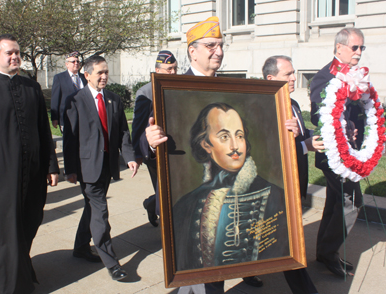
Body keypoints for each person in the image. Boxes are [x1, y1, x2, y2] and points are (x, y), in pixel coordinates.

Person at [145, 17, 300, 293]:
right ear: (192, 50)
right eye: (210, 45)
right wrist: (150, 141)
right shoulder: (171, 92)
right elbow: (150, 146)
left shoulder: (233, 87)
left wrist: (286, 128)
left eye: (220, 45)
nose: (218, 51)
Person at [0, 34, 59, 294]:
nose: (15, 56)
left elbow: (43, 130)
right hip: (0, 179)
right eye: (9, 53)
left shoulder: (32, 87)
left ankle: (20, 271)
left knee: (29, 223)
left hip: (33, 175)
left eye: (17, 52)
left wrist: (52, 166)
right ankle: (4, 285)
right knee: (2, 234)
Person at [174, 102, 289, 271]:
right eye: (224, 137)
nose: (235, 146)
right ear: (206, 144)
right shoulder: (187, 205)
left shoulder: (276, 196)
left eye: (240, 136)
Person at [63, 55, 139, 281]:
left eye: (106, 72)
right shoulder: (75, 100)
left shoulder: (114, 99)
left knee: (91, 208)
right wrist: (70, 169)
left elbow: (123, 132)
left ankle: (80, 247)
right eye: (100, 73)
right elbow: (70, 138)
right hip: (87, 167)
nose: (104, 76)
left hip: (108, 165)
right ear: (87, 75)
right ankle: (111, 262)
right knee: (100, 212)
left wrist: (129, 157)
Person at [263, 55, 324, 294]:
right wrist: (303, 145)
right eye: (287, 74)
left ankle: (247, 271)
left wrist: (318, 135)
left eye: (293, 72)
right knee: (290, 240)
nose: (293, 78)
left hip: (297, 181)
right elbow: (267, 150)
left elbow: (301, 133)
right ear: (270, 79)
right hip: (278, 187)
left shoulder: (293, 104)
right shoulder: (266, 107)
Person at [309, 28, 365, 278]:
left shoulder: (355, 75)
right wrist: (345, 128)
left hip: (351, 153)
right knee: (351, 204)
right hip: (334, 156)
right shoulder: (324, 77)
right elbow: (318, 115)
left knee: (335, 203)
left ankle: (324, 252)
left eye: (362, 48)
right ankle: (329, 253)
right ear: (339, 47)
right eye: (355, 47)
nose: (359, 53)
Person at [132, 50, 177, 227]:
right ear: (157, 71)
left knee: (170, 191)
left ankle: (151, 203)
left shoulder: (177, 86)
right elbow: (139, 126)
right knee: (164, 193)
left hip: (174, 149)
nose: (173, 73)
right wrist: (138, 152)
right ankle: (155, 207)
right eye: (168, 69)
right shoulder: (146, 92)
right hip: (154, 152)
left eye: (175, 68)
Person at [51, 51, 87, 130]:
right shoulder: (59, 78)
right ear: (67, 64)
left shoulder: (84, 78)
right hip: (67, 117)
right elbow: (55, 99)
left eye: (77, 61)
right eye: (73, 61)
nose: (76, 63)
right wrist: (55, 118)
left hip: (83, 117)